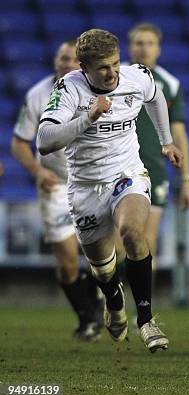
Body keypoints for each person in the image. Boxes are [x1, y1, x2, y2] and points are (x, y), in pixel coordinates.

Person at [36, 29, 183, 352]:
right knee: (103, 269)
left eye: (115, 64)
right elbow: (45, 141)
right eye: (103, 67)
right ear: (84, 68)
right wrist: (88, 117)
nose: (112, 73)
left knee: (132, 232)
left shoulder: (136, 76)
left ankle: (145, 319)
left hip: (126, 172)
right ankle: (114, 303)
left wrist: (166, 141)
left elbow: (155, 97)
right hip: (85, 187)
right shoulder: (70, 88)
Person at [11, 39, 103, 342]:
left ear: (82, 65)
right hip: (56, 186)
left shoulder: (95, 93)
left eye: (72, 60)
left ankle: (93, 313)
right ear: (55, 61)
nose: (66, 64)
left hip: (91, 183)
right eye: (62, 58)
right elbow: (19, 142)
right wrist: (37, 171)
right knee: (66, 261)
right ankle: (88, 315)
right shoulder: (38, 94)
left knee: (103, 254)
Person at [123, 23, 189, 275]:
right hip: (117, 171)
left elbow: (179, 135)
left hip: (154, 173)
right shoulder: (116, 78)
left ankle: (142, 313)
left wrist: (186, 180)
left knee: (147, 243)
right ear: (130, 47)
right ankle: (109, 307)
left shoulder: (170, 85)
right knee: (116, 247)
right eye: (139, 43)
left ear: (159, 49)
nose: (144, 49)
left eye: (150, 43)